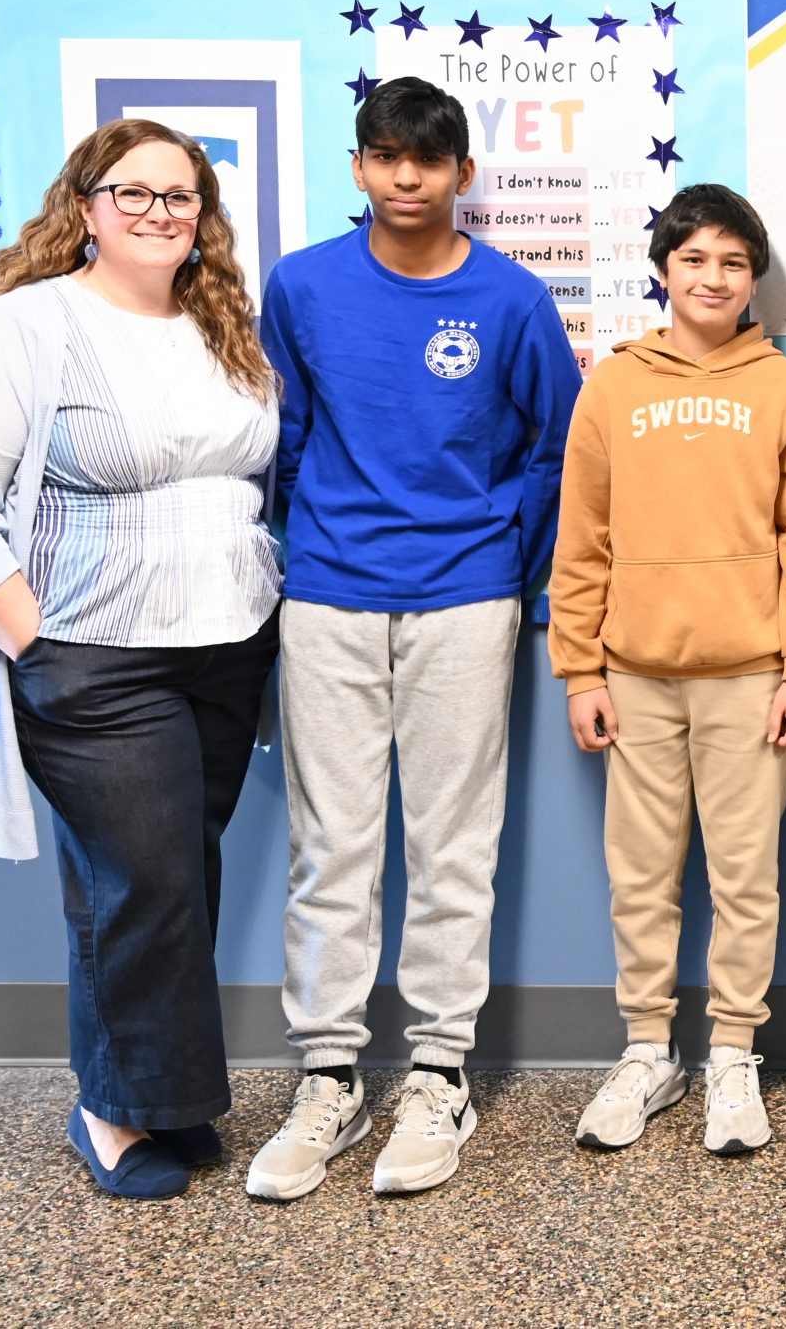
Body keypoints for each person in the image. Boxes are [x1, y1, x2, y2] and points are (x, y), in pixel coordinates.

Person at [0, 119, 279, 1199]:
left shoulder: (223, 328)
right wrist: (39, 639)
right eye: (136, 192)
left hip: (223, 651)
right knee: (139, 882)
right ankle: (113, 1111)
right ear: (84, 206)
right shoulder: (24, 327)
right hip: (95, 656)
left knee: (180, 878)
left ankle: (166, 1095)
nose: (161, 212)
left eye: (182, 195)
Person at [244, 77, 581, 1201]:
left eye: (426, 162)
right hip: (331, 594)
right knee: (330, 843)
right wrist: (305, 539)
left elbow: (555, 444)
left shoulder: (512, 299)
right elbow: (281, 433)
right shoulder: (301, 285)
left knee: (452, 841)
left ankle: (440, 1070)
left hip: (467, 597)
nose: (404, 177)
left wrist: (505, 555)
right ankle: (328, 1076)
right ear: (357, 166)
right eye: (384, 156)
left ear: (460, 175)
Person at [550, 184, 786, 1156]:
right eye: (693, 259)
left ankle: (732, 1054)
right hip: (633, 672)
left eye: (731, 261)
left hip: (751, 674)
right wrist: (580, 668)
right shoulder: (614, 384)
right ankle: (647, 1048)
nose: (712, 277)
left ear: (752, 275)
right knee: (640, 872)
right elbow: (582, 535)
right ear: (663, 271)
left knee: (746, 872)